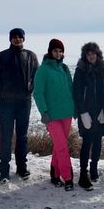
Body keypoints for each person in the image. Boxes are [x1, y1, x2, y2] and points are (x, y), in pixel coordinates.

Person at [0, 28, 39, 183]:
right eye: (14, 37)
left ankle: (22, 168)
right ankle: (4, 170)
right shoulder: (1, 57)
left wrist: (31, 89)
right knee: (6, 136)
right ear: (10, 39)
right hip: (6, 103)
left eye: (20, 37)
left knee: (22, 136)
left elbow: (37, 78)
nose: (17, 39)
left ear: (23, 39)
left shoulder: (30, 56)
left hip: (24, 102)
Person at [33, 39, 75, 191]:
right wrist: (43, 111)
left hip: (67, 113)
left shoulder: (64, 68)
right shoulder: (43, 70)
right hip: (51, 116)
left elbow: (71, 89)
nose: (58, 53)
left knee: (59, 145)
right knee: (62, 145)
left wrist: (75, 108)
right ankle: (68, 177)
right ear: (50, 52)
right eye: (56, 51)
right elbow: (38, 93)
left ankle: (54, 173)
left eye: (61, 51)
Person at [73, 42, 104, 190]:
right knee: (87, 142)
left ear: (97, 54)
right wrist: (82, 112)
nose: (91, 56)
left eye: (93, 53)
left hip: (99, 112)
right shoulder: (80, 70)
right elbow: (76, 92)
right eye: (88, 54)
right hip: (86, 112)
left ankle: (94, 168)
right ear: (85, 56)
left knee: (98, 141)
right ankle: (83, 173)